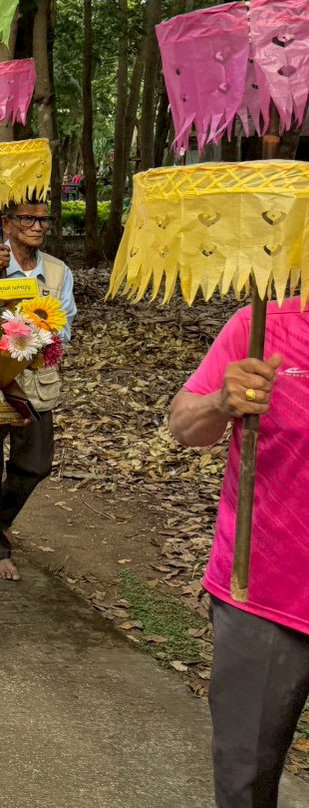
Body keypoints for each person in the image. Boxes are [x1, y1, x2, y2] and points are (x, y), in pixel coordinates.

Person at [170, 301, 309, 808]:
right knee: (245, 778)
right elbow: (185, 428)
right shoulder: (261, 327)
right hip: (264, 596)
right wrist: (220, 404)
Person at [0, 200, 77, 580]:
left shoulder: (58, 272)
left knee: (36, 464)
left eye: (44, 218)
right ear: (6, 224)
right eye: (28, 218)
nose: (38, 225)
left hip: (34, 379)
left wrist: (32, 333)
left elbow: (64, 327)